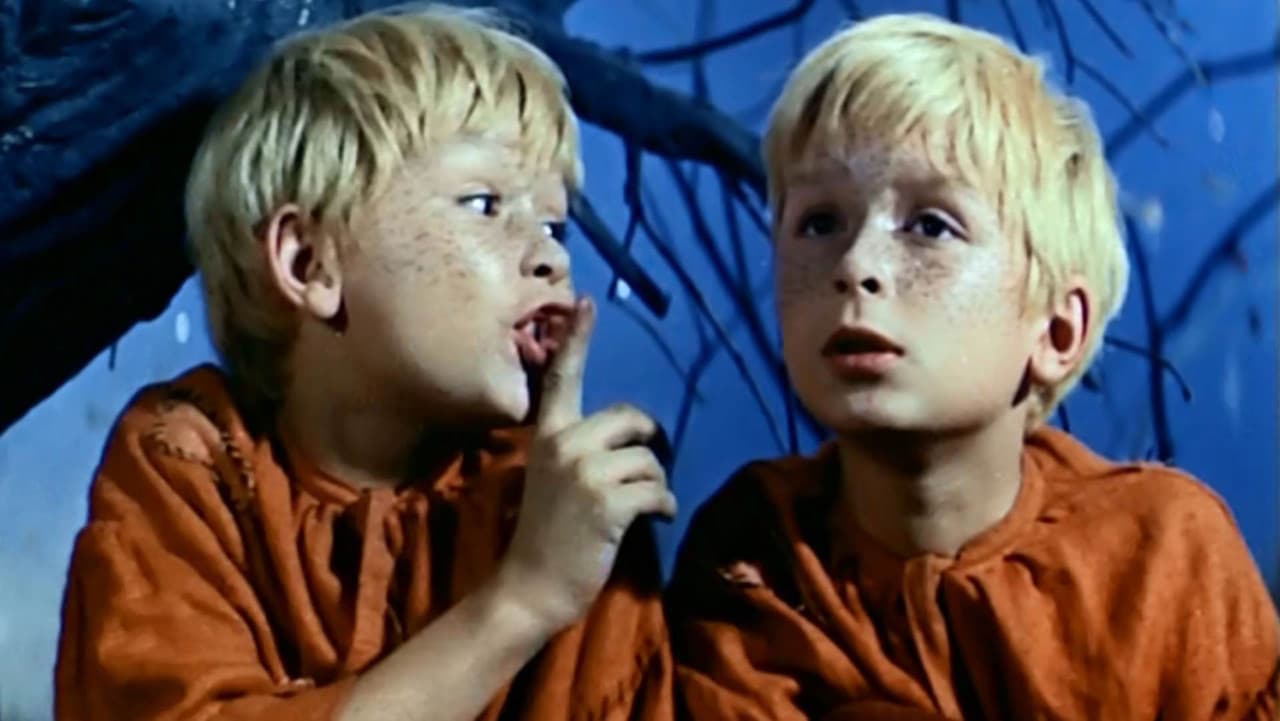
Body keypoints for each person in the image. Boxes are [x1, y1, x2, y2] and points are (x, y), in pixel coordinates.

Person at [54, 6, 677, 720]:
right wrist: (525, 599)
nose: (552, 257)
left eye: (552, 224)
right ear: (309, 263)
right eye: (484, 203)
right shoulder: (189, 458)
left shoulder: (560, 501)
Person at [665, 13, 1279, 720]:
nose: (856, 265)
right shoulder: (755, 551)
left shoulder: (1162, 553)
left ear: (1056, 330)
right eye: (819, 222)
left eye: (930, 226)